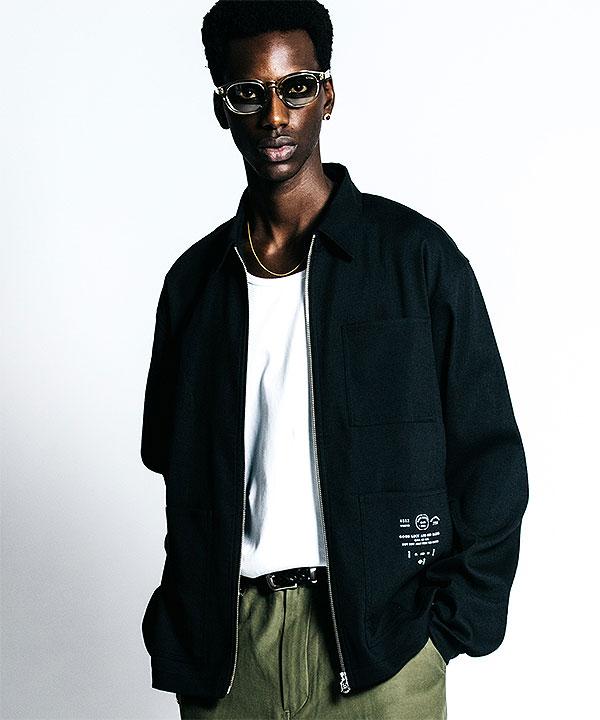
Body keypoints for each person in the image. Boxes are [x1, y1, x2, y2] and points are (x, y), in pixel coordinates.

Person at [140, 1, 529, 718]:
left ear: (327, 95)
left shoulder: (415, 259)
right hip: (230, 662)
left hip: (382, 657)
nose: (275, 116)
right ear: (223, 109)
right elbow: (175, 465)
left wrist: (443, 634)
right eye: (249, 93)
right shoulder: (194, 286)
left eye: (296, 87)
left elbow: (491, 457)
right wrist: (187, 624)